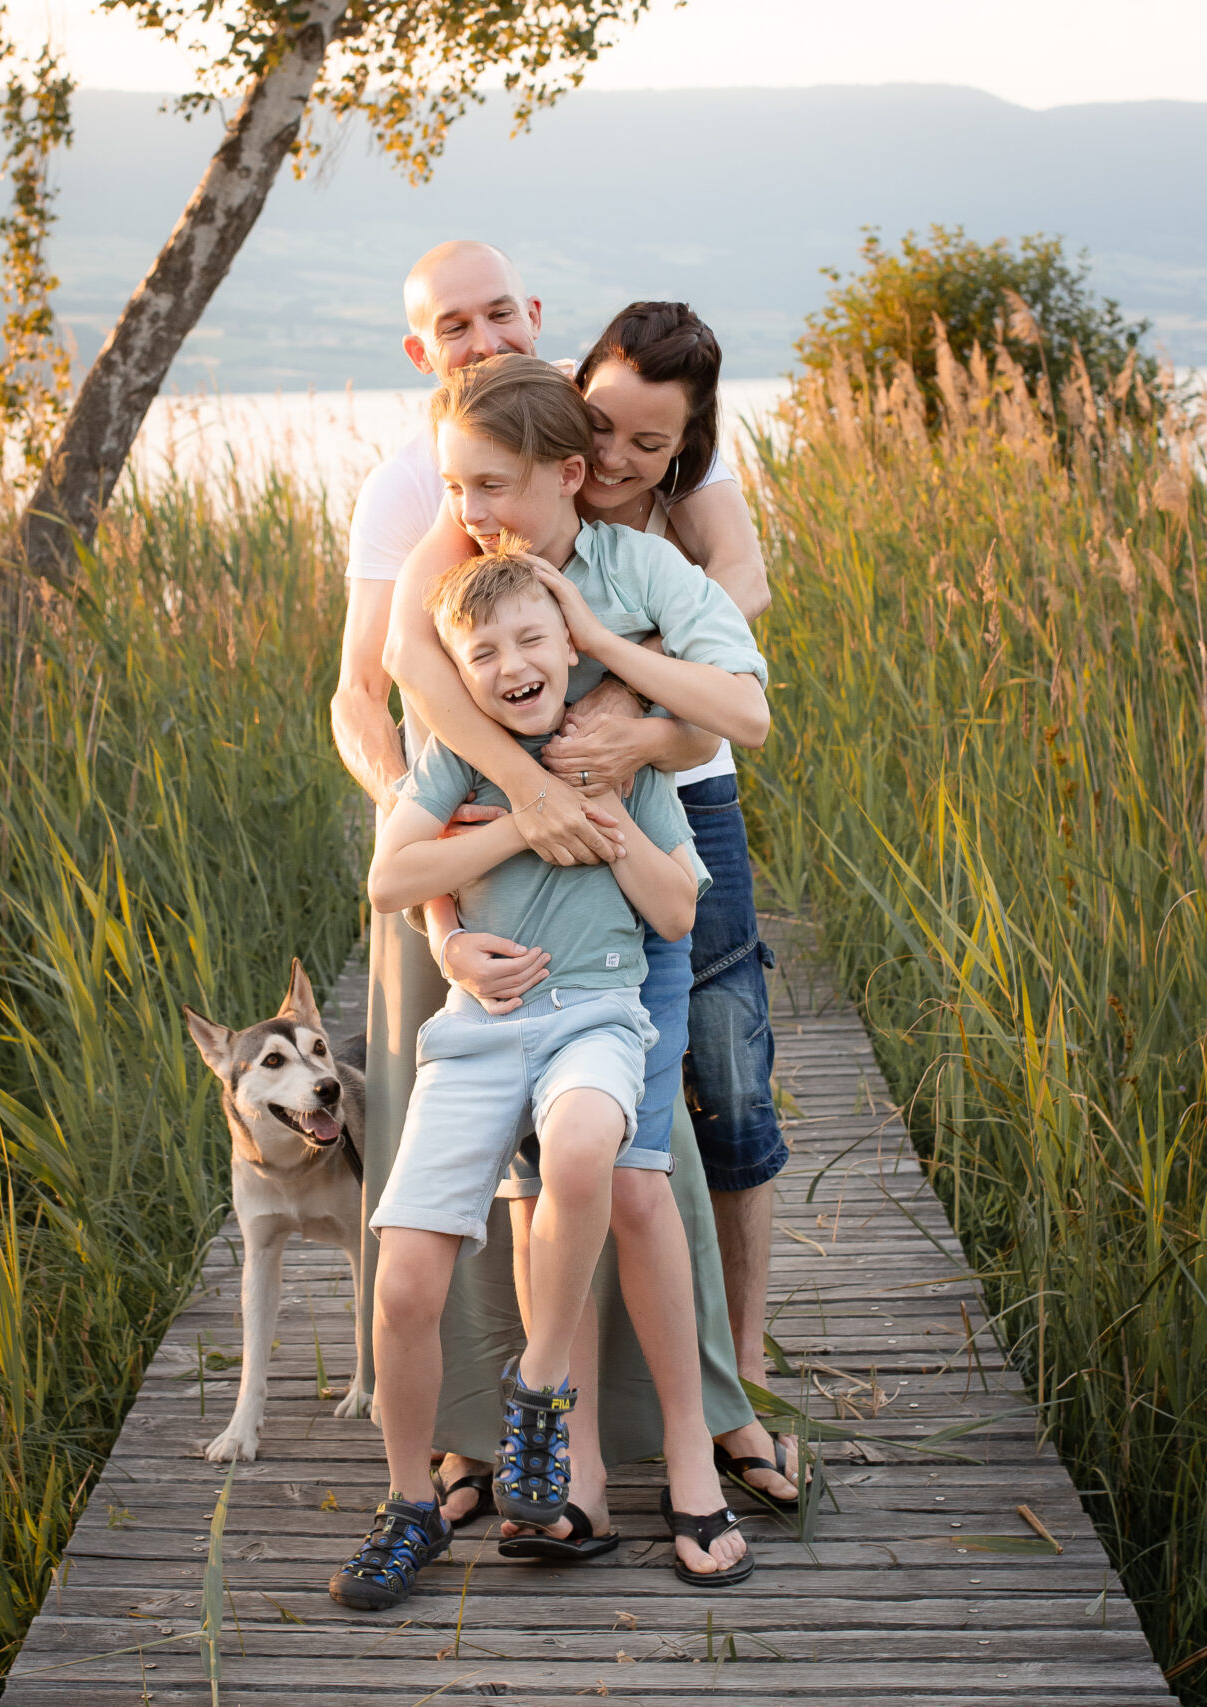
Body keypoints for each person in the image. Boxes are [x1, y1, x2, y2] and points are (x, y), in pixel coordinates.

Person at [332, 241, 794, 1538]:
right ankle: (510, 1443)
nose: (478, 336)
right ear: (424, 353)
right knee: (526, 1163)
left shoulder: (634, 507)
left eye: (497, 314)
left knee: (664, 1139)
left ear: (539, 329)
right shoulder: (438, 507)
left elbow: (736, 644)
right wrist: (498, 828)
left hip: (658, 835)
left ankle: (707, 1410)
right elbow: (401, 682)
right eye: (450, 324)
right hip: (500, 858)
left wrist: (632, 709)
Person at [329, 542, 756, 1610]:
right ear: (459, 678)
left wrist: (605, 829)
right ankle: (405, 1508)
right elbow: (391, 878)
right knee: (405, 1279)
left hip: (598, 1020)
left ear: (569, 646)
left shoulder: (617, 760)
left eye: (531, 640)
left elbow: (672, 912)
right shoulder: (454, 765)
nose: (512, 663)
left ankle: (537, 1386)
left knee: (580, 1150)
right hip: (478, 1034)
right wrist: (519, 826)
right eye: (483, 653)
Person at [546, 303, 799, 1511]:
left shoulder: (687, 503)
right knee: (583, 1092)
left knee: (726, 1071)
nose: (612, 458)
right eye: (598, 424)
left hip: (687, 801)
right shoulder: (534, 457)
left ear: (685, 445)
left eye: (648, 445)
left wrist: (647, 718)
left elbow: (740, 594)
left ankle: (739, 1370)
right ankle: (570, 1403)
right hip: (549, 827)